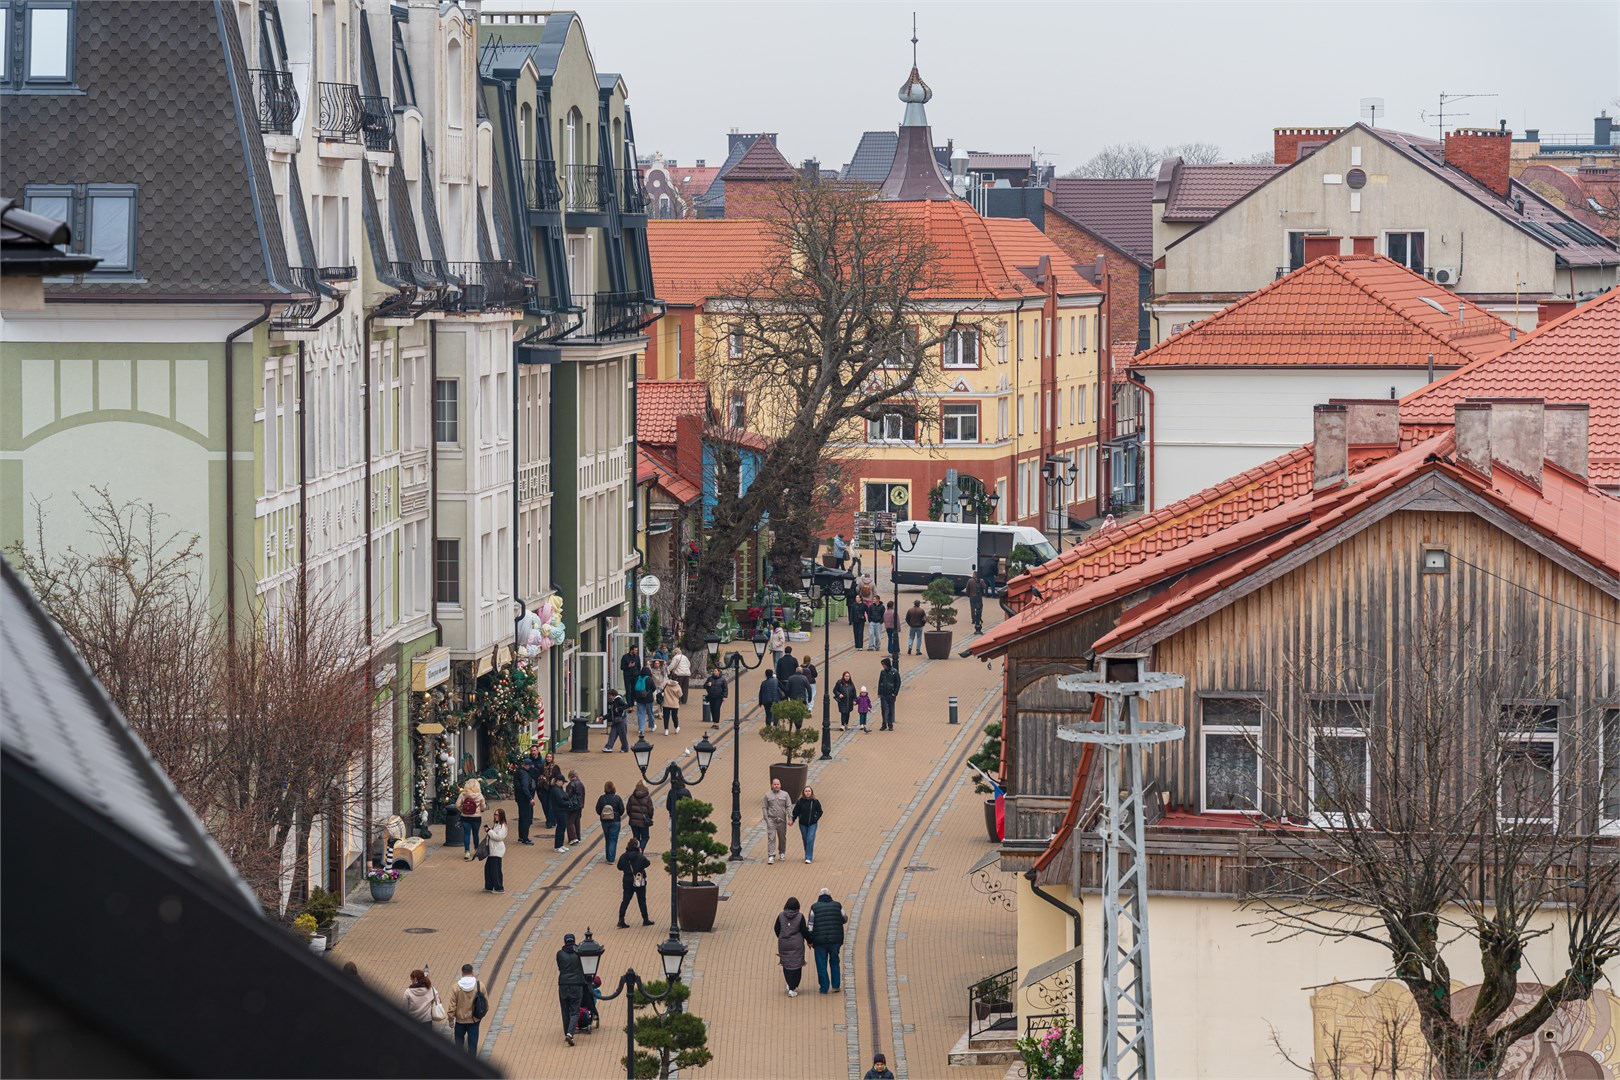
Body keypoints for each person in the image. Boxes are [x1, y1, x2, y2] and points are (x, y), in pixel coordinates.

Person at [807, 888, 847, 994]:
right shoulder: (837, 905)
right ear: (830, 895)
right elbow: (845, 919)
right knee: (834, 962)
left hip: (819, 941)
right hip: (835, 940)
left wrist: (809, 940)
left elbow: (810, 926)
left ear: (819, 896)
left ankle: (824, 988)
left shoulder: (814, 907)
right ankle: (836, 986)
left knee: (821, 964)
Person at [556, 933, 590, 1046]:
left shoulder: (560, 954)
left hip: (563, 984)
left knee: (565, 1011)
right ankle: (570, 1034)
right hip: (577, 984)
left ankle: (567, 1032)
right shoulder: (579, 953)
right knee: (575, 1011)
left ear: (565, 942)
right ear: (574, 941)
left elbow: (560, 967)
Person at [773, 897, 809, 997]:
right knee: (797, 965)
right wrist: (809, 941)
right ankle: (792, 987)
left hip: (783, 943)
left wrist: (781, 937)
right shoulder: (800, 916)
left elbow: (776, 928)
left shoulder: (781, 916)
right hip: (797, 944)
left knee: (786, 964)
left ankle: (789, 984)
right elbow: (804, 930)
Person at [616, 838, 654, 927]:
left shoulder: (624, 856)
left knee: (625, 900)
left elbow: (619, 867)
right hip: (638, 878)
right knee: (641, 900)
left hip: (627, 880)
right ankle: (645, 919)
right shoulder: (640, 856)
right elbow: (647, 863)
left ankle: (621, 919)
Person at [450, 963, 486, 1055]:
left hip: (460, 1021)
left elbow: (452, 1006)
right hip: (474, 1020)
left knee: (458, 1047)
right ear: (472, 973)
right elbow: (486, 1004)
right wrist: (480, 1017)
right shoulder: (480, 986)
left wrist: (450, 1019)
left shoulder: (456, 987)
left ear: (462, 973)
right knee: (472, 1047)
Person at [514, 744, 542, 844]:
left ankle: (521, 836)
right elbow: (525, 787)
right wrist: (530, 798)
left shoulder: (518, 771)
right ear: (527, 765)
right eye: (529, 766)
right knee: (526, 818)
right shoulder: (525, 774)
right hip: (525, 799)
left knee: (522, 817)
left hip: (519, 798)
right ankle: (525, 838)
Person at [761, 777, 791, 865]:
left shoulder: (785, 794)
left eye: (778, 784)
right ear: (772, 785)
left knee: (782, 838)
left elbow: (788, 806)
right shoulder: (767, 795)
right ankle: (771, 855)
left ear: (780, 785)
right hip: (771, 820)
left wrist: (790, 817)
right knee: (771, 837)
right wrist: (766, 818)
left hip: (782, 820)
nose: (776, 786)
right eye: (774, 784)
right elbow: (764, 807)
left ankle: (782, 852)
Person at [596, 780, 625, 863]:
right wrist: (617, 814)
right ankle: (611, 858)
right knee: (613, 839)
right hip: (615, 821)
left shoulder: (602, 798)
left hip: (605, 821)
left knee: (607, 838)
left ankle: (608, 856)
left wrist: (602, 814)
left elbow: (598, 809)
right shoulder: (617, 798)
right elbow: (622, 810)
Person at [456, 779, 486, 860]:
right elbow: (483, 807)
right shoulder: (479, 795)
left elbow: (457, 805)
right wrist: (480, 810)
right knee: (476, 834)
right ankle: (476, 850)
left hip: (465, 817)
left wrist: (462, 810)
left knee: (467, 834)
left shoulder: (463, 794)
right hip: (476, 818)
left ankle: (467, 852)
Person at [792, 785, 823, 864]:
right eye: (806, 791)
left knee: (810, 839)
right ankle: (807, 852)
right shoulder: (800, 802)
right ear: (803, 793)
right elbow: (795, 812)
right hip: (802, 824)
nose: (807, 793)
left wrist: (815, 818)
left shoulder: (815, 802)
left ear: (811, 792)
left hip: (812, 824)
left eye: (809, 791)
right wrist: (792, 820)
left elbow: (820, 811)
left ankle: (808, 857)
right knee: (805, 839)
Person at [627, 781, 655, 853]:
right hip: (643, 821)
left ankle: (636, 851)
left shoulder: (632, 797)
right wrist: (649, 817)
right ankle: (641, 849)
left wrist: (632, 816)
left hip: (633, 821)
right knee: (645, 837)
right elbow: (650, 809)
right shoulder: (647, 797)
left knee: (636, 837)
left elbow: (628, 809)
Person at [551, 775, 575, 853]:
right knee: (560, 828)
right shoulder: (555, 790)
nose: (563, 783)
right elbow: (560, 801)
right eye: (562, 782)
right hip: (559, 811)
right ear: (558, 781)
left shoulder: (558, 789)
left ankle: (560, 845)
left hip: (562, 810)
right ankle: (557, 846)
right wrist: (569, 803)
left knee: (562, 828)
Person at [539, 753, 564, 827]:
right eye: (547, 757)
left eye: (550, 757)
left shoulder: (556, 767)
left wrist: (559, 788)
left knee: (550, 805)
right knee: (545, 804)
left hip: (552, 789)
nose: (548, 758)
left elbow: (559, 777)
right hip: (544, 788)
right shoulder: (542, 766)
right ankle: (550, 819)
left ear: (552, 758)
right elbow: (540, 775)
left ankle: (550, 822)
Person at [878, 657, 901, 731]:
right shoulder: (882, 672)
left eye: (884, 664)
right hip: (883, 693)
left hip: (891, 694)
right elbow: (880, 682)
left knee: (890, 709)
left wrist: (895, 693)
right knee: (884, 709)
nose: (883, 666)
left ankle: (890, 725)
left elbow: (898, 683)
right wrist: (879, 692)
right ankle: (884, 724)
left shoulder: (894, 672)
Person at [632, 664, 657, 735]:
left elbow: (634, 688)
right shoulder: (649, 679)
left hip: (639, 699)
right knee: (650, 713)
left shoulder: (638, 678)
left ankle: (641, 729)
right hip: (648, 699)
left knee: (640, 713)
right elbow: (654, 688)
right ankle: (652, 726)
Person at [603, 688, 630, 752]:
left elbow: (626, 705)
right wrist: (603, 717)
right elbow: (611, 713)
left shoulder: (619, 700)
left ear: (613, 695)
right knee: (613, 734)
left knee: (622, 735)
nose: (609, 697)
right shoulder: (614, 701)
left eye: (609, 696)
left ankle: (625, 748)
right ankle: (609, 746)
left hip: (621, 720)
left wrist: (619, 708)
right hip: (616, 720)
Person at [565, 770, 587, 845]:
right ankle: (578, 837)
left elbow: (568, 795)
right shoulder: (580, 783)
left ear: (570, 777)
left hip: (573, 805)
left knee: (570, 822)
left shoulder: (571, 784)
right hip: (579, 805)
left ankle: (573, 838)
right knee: (577, 821)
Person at [966, 569, 985, 635]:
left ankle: (973, 619)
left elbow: (967, 589)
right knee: (980, 607)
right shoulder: (981, 580)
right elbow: (984, 587)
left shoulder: (970, 581)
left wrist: (968, 595)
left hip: (972, 596)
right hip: (979, 596)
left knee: (972, 607)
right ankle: (979, 618)